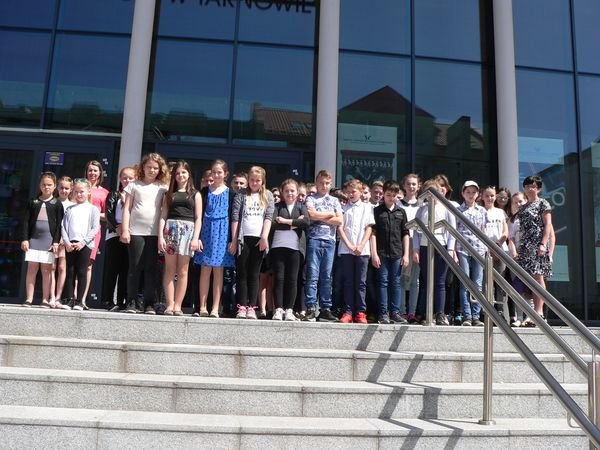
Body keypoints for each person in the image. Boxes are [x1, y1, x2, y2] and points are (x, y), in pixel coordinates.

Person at [120, 153, 169, 314]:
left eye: (155, 168)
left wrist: (162, 234)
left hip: (154, 233)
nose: (152, 170)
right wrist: (125, 230)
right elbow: (127, 208)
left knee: (151, 269)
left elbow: (164, 210)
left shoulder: (163, 187)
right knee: (134, 267)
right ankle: (131, 302)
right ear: (143, 167)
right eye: (149, 167)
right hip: (135, 232)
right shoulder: (134, 185)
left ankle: (149, 303)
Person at [159, 161, 202, 316]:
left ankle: (178, 305)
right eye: (177, 173)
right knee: (170, 269)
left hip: (187, 231)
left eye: (183, 172)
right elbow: (163, 215)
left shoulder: (195, 194)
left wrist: (195, 238)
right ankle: (169, 304)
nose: (180, 175)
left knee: (183, 270)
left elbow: (198, 218)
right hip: (170, 230)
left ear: (189, 174)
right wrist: (160, 236)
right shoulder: (168, 194)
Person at [231, 166, 274, 319]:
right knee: (242, 272)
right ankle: (242, 306)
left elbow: (268, 217)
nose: (254, 183)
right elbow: (235, 217)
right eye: (252, 180)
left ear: (262, 181)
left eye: (257, 180)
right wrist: (234, 240)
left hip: (258, 239)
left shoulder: (268, 195)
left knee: (254, 274)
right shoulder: (241, 194)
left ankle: (252, 307)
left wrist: (264, 237)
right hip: (243, 239)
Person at [194, 159, 235, 317]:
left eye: (219, 172)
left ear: (226, 174)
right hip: (206, 233)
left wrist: (232, 239)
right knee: (205, 270)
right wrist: (197, 237)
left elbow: (233, 218)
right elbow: (198, 216)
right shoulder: (204, 192)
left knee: (219, 271)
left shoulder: (231, 194)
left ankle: (215, 308)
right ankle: (202, 306)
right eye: (214, 172)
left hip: (223, 234)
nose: (216, 175)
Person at [413, 178, 457, 325]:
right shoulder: (421, 209)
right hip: (425, 246)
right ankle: (427, 312)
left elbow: (452, 231)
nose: (431, 196)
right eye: (428, 193)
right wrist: (416, 249)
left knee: (440, 282)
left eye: (434, 192)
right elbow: (416, 231)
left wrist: (450, 248)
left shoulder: (446, 208)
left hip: (441, 245)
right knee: (427, 281)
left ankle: (440, 313)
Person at [302, 170, 343, 322]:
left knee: (326, 276)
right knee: (312, 275)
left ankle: (325, 308)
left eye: (327, 183)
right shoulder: (311, 199)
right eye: (321, 183)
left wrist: (321, 216)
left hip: (329, 241)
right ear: (316, 183)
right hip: (314, 239)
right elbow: (311, 216)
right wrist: (330, 214)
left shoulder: (335, 200)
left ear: (330, 184)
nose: (324, 186)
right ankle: (311, 307)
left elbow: (339, 221)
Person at [20, 172, 64, 307]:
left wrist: (56, 241)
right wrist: (25, 239)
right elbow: (26, 221)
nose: (46, 187)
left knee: (46, 270)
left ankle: (45, 299)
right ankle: (29, 298)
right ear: (40, 185)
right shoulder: (33, 202)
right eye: (44, 184)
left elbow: (59, 225)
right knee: (32, 269)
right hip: (34, 240)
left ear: (55, 186)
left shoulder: (57, 204)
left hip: (48, 241)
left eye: (49, 185)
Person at [269, 178, 309, 321]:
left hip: (295, 248)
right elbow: (273, 224)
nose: (290, 193)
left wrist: (285, 221)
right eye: (287, 191)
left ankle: (289, 310)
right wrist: (295, 224)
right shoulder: (277, 207)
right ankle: (278, 309)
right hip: (278, 247)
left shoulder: (301, 207)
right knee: (279, 279)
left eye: (292, 191)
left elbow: (306, 222)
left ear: (297, 192)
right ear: (282, 192)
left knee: (292, 279)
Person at [370, 180, 410, 324]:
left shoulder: (401, 212)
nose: (391, 198)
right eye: (388, 195)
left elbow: (405, 233)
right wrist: (374, 254)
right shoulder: (376, 211)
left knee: (396, 283)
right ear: (383, 194)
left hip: (397, 252)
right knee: (382, 282)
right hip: (381, 252)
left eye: (394, 195)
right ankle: (383, 313)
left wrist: (406, 254)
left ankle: (395, 312)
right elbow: (372, 233)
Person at [337, 179, 375, 324]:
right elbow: (340, 228)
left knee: (361, 282)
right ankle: (348, 311)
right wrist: (349, 245)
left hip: (362, 250)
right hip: (346, 250)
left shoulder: (367, 207)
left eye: (353, 191)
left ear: (360, 192)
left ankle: (360, 311)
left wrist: (361, 244)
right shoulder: (344, 208)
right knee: (348, 281)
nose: (351, 194)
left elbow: (369, 228)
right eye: (348, 192)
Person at [517, 175, 553, 320]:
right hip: (525, 245)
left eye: (532, 186)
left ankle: (539, 311)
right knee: (529, 278)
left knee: (538, 276)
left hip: (538, 244)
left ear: (538, 188)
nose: (529, 189)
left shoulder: (543, 203)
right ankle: (531, 313)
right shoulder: (523, 207)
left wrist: (543, 244)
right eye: (527, 186)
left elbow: (548, 225)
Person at [61, 179, 100, 310]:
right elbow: (63, 226)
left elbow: (95, 228)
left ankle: (79, 301)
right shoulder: (69, 209)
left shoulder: (93, 209)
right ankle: (69, 299)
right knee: (70, 271)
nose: (79, 194)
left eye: (81, 191)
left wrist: (83, 242)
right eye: (76, 192)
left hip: (85, 244)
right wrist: (67, 242)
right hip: (70, 244)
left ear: (88, 192)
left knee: (82, 271)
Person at [103, 167, 135, 312]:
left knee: (126, 270)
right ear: (120, 179)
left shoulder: (136, 196)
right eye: (124, 177)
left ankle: (123, 300)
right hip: (115, 235)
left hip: (130, 236)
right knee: (112, 269)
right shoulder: (114, 194)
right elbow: (109, 213)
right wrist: (118, 228)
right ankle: (108, 300)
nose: (127, 180)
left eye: (130, 178)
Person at [456, 180, 487, 326]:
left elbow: (484, 230)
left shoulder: (482, 210)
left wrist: (487, 248)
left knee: (478, 284)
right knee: (465, 283)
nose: (471, 195)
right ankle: (467, 316)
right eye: (468, 192)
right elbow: (455, 230)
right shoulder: (458, 210)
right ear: (463, 193)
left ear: (478, 194)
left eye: (474, 192)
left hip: (479, 248)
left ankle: (476, 316)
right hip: (462, 248)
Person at [81, 160, 109, 309]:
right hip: (77, 229)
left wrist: (95, 213)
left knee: (87, 265)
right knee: (74, 264)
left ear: (100, 173)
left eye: (95, 170)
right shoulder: (79, 188)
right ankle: (71, 296)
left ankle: (82, 299)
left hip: (93, 231)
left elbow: (107, 215)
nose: (92, 173)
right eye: (90, 170)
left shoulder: (104, 193)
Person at [480, 185, 509, 317]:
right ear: (482, 197)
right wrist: (489, 248)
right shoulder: (480, 211)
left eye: (492, 195)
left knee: (500, 281)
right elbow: (482, 231)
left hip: (500, 249)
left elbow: (505, 232)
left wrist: (497, 246)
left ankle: (500, 310)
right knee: (486, 281)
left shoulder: (500, 212)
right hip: (485, 250)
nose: (489, 198)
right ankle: (486, 309)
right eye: (487, 196)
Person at [399, 173, 421, 322]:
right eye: (408, 184)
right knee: (401, 277)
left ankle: (412, 312)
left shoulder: (423, 204)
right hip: (402, 243)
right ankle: (402, 311)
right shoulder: (398, 204)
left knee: (415, 279)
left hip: (418, 243)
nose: (411, 186)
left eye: (414, 184)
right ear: (404, 185)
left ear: (418, 186)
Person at [507, 191, 531, 327]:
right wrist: (514, 253)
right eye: (515, 202)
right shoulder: (512, 220)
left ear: (526, 201)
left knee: (529, 289)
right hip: (516, 257)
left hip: (529, 257)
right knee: (518, 288)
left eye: (520, 201)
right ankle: (519, 317)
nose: (518, 204)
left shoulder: (532, 216)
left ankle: (530, 316)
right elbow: (510, 239)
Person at [53, 176, 74, 308]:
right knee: (51, 267)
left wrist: (64, 239)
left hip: (65, 240)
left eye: (66, 188)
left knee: (62, 268)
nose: (64, 190)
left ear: (71, 189)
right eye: (61, 188)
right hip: (52, 240)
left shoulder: (72, 205)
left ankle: (58, 297)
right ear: (57, 188)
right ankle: (50, 296)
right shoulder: (53, 202)